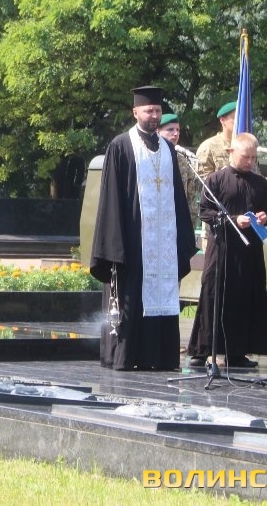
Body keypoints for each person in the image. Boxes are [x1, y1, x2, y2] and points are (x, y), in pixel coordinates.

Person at [89, 85, 198, 371]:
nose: (154, 116)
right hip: (133, 240)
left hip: (163, 242)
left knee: (162, 293)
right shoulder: (121, 146)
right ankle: (126, 356)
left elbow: (178, 196)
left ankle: (158, 357)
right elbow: (111, 198)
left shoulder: (168, 149)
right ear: (135, 112)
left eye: (157, 111)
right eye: (149, 111)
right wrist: (115, 245)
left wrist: (181, 239)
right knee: (132, 297)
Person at [186, 133, 267, 368]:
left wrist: (264, 217)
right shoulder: (216, 180)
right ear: (231, 152)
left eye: (254, 157)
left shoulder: (259, 182)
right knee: (213, 296)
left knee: (243, 298)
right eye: (246, 157)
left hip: (249, 251)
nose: (250, 162)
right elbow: (206, 212)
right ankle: (203, 350)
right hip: (223, 249)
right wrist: (234, 220)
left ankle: (237, 352)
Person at [158, 113, 201, 225]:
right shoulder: (150, 158)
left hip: (179, 219)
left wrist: (190, 223)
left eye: (178, 130)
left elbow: (190, 195)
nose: (175, 133)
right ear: (157, 131)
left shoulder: (182, 159)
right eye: (170, 130)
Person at [195, 101, 236, 180]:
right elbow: (202, 182)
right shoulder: (208, 147)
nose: (241, 122)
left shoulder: (246, 146)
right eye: (236, 118)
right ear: (222, 120)